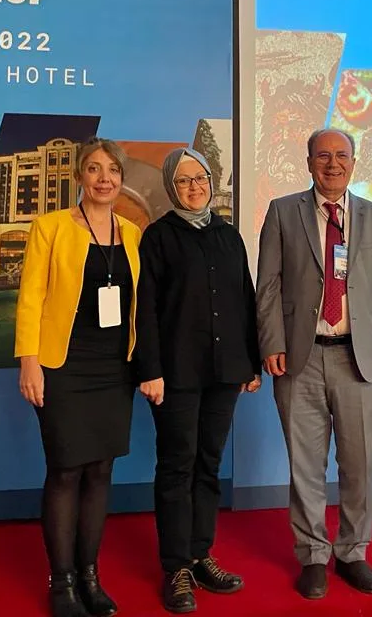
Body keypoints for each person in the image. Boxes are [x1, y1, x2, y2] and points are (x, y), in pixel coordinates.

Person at [256, 128, 372, 600]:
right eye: (323, 156)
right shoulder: (282, 212)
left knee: (359, 465)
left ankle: (353, 551)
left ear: (354, 162)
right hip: (299, 359)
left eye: (342, 155)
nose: (333, 164)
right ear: (309, 162)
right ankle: (313, 555)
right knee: (305, 466)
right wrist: (271, 342)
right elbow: (268, 285)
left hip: (360, 360)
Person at [15, 137, 141, 617]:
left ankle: (90, 576)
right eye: (94, 169)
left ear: (121, 178)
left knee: (101, 470)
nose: (104, 178)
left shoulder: (133, 233)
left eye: (113, 170)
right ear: (79, 177)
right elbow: (31, 296)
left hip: (115, 367)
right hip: (62, 365)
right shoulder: (49, 227)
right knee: (66, 469)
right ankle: (62, 581)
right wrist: (29, 361)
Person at [135, 148, 262, 614]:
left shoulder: (228, 235)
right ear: (172, 187)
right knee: (177, 466)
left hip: (225, 371)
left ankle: (200, 553)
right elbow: (145, 309)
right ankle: (176, 567)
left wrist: (251, 363)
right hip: (175, 374)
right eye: (184, 180)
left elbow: (245, 299)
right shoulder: (158, 237)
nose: (195, 187)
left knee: (208, 464)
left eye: (201, 178)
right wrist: (149, 369)